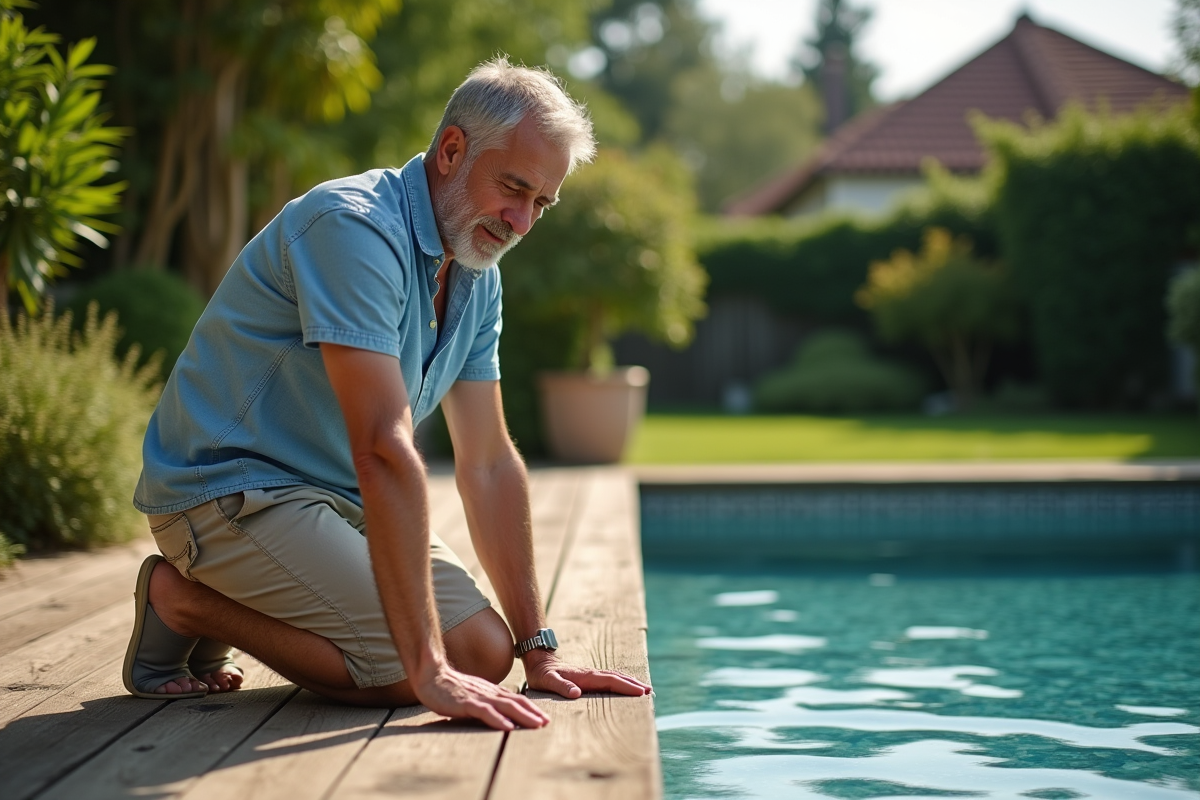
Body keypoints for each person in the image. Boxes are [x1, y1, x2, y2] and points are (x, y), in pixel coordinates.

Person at [124, 57, 651, 731]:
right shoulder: (352, 228)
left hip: (341, 503)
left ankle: (219, 608)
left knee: (485, 655)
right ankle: (182, 600)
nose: (521, 222)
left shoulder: (477, 271)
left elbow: (489, 461)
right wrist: (428, 670)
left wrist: (537, 650)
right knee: (410, 669)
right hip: (228, 491)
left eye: (540, 204)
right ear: (451, 150)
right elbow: (382, 445)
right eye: (513, 188)